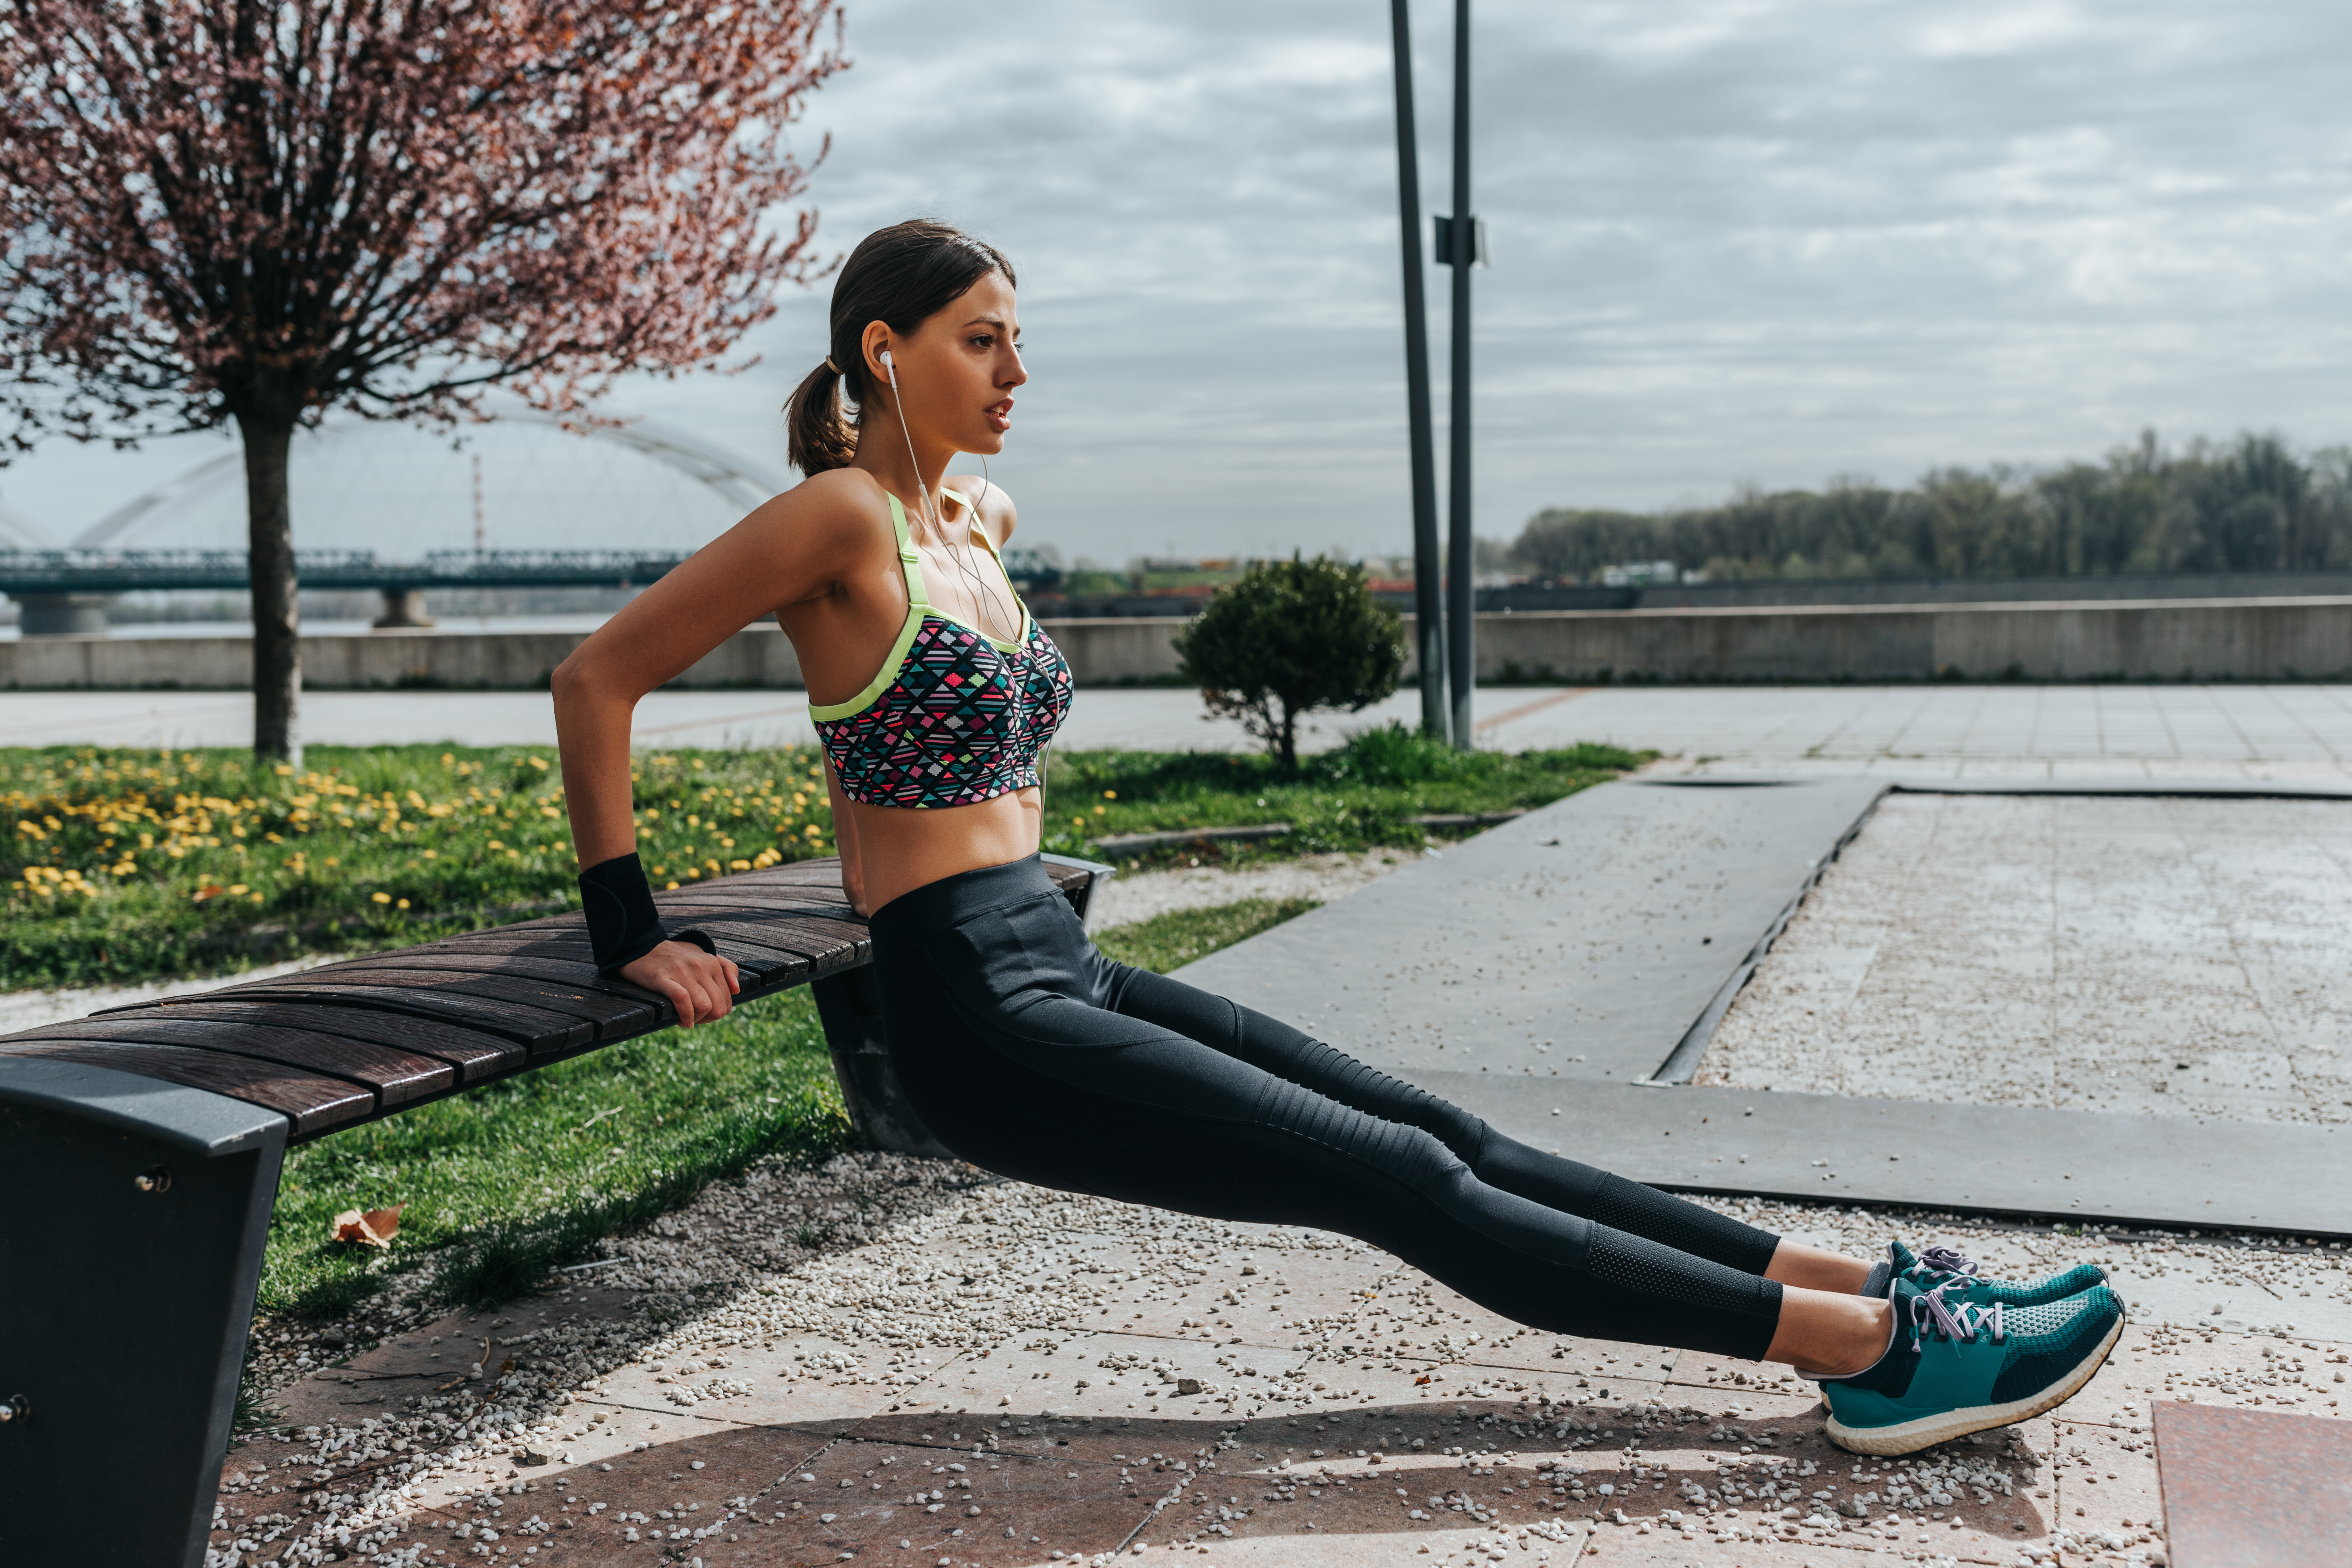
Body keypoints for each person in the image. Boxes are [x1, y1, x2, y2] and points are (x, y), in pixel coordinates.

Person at [552, 219, 2122, 1456]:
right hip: (972, 1009)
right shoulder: (837, 519)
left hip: (1058, 958)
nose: (1018, 371)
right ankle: (1877, 1363)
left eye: (1023, 339)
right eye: (985, 342)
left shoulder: (983, 524)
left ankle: (1861, 1282)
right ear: (887, 353)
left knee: (1454, 1139)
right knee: (1397, 1181)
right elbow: (597, 674)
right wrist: (634, 925)